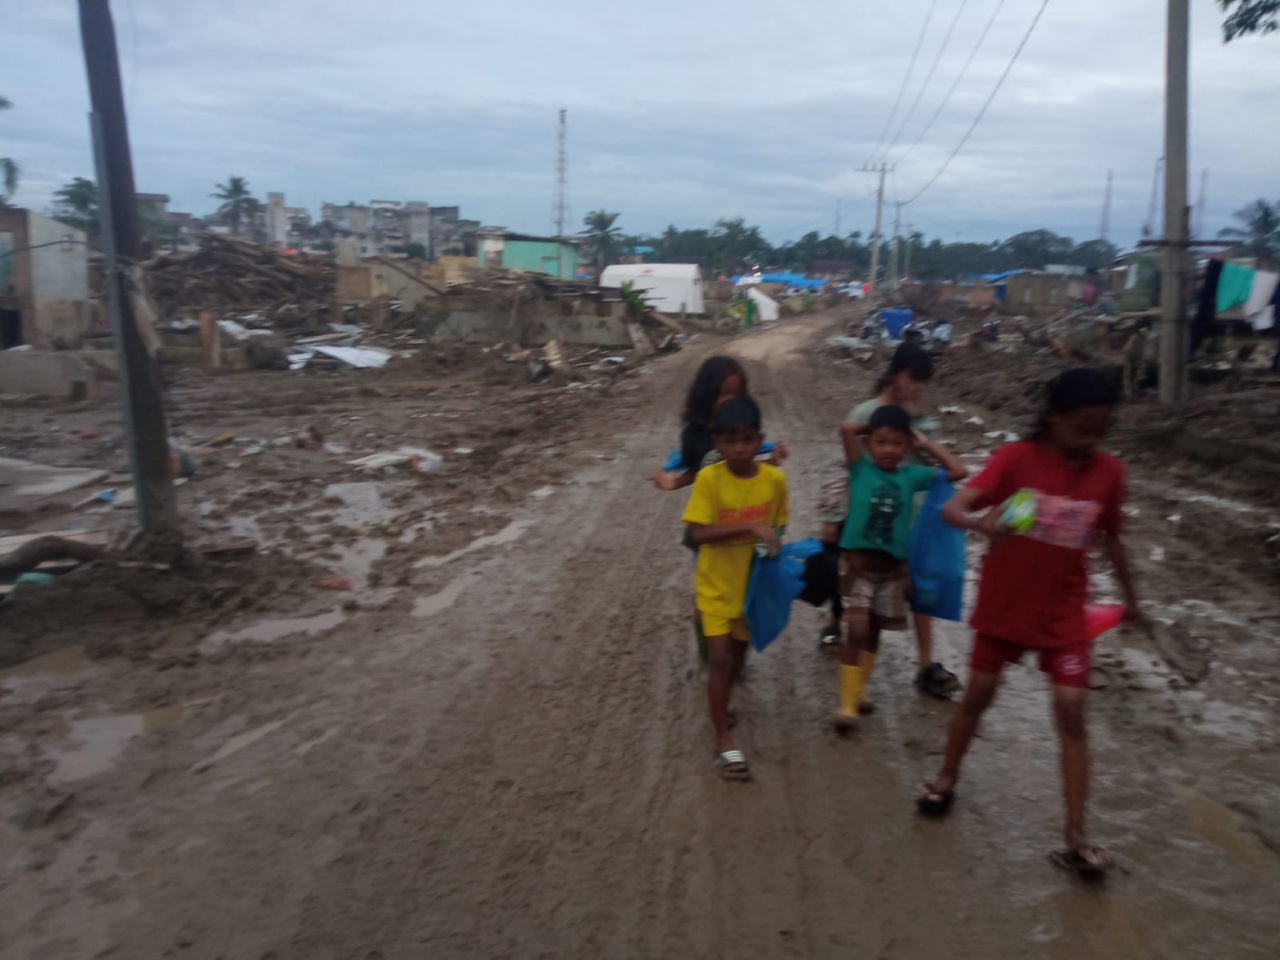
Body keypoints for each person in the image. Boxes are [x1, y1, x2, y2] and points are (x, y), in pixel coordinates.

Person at [916, 368, 1142, 878]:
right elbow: (953, 508)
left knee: (1072, 709)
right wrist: (981, 523)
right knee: (978, 694)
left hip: (1064, 612)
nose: (1090, 440)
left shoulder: (1110, 473)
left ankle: (1076, 834)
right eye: (1081, 428)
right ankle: (947, 777)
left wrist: (1134, 601)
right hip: (1005, 606)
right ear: (1053, 418)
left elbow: (1114, 540)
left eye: (1101, 429)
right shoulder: (1016, 459)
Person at [820, 343, 962, 701]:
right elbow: (843, 468)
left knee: (916, 588)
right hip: (865, 517)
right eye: (912, 379)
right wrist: (832, 516)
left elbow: (941, 469)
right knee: (856, 580)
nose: (916, 388)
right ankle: (836, 625)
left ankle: (925, 663)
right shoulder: (866, 413)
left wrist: (920, 437)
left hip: (911, 521)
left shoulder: (920, 421)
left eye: (922, 382)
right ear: (894, 374)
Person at [834, 404, 968, 730]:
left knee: (874, 631)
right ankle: (846, 704)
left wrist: (924, 442)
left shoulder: (911, 476)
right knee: (857, 631)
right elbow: (847, 429)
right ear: (869, 444)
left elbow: (958, 471)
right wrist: (874, 427)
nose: (888, 450)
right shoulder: (860, 468)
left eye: (897, 443)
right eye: (881, 442)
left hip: (891, 570)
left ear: (907, 446)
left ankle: (860, 689)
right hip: (858, 565)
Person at [683, 396, 788, 780]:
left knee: (739, 657)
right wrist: (749, 527)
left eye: (747, 439)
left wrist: (774, 547)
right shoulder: (710, 479)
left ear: (759, 439)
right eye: (730, 441)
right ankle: (724, 741)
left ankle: (722, 700)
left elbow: (778, 527)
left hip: (751, 587)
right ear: (718, 443)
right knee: (720, 658)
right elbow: (698, 533)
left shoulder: (774, 480)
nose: (740, 448)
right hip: (714, 587)